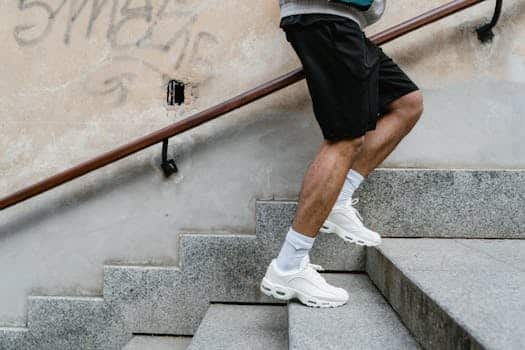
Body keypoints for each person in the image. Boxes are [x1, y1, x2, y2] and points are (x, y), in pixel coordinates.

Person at [260, 0, 424, 307]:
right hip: (324, 15)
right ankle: (288, 266)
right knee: (345, 139)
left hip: (342, 18)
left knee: (406, 102)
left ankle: (338, 198)